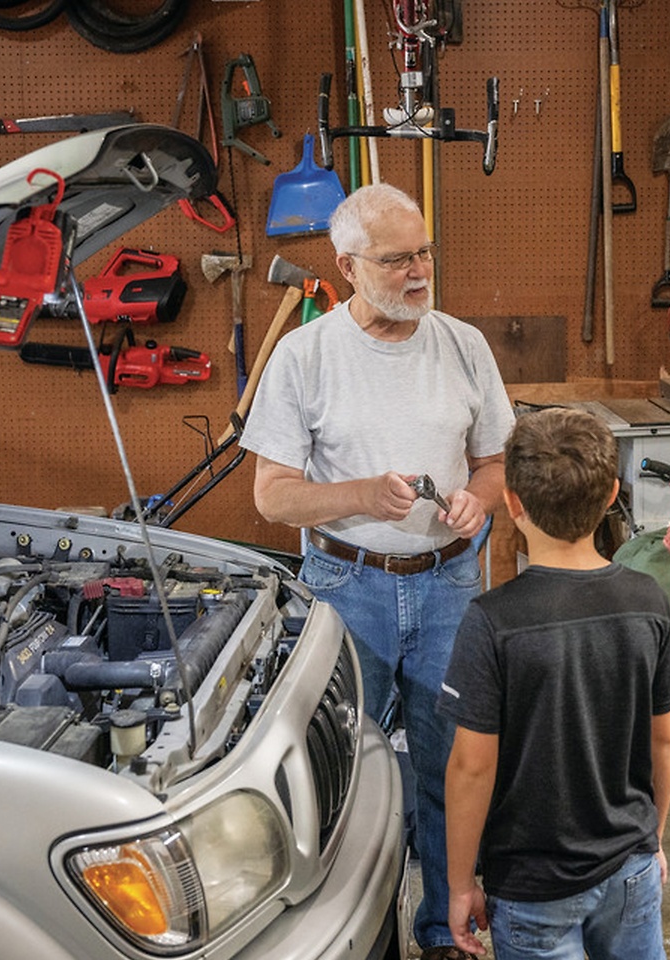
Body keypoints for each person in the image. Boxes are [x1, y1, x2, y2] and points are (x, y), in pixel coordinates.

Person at [241, 182, 514, 960]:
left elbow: (494, 462)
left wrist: (478, 503)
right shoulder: (305, 356)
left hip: (450, 583)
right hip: (344, 585)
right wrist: (360, 494)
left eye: (425, 253)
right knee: (341, 778)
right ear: (348, 265)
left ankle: (442, 934)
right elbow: (271, 497)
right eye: (397, 261)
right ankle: (353, 938)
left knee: (450, 765)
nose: (420, 273)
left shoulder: (462, 345)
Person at [440, 407, 670, 960]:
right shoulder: (647, 601)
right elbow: (662, 742)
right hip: (630, 869)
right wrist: (654, 841)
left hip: (531, 888)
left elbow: (471, 767)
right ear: (612, 493)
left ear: (513, 503)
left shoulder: (491, 620)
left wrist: (458, 886)